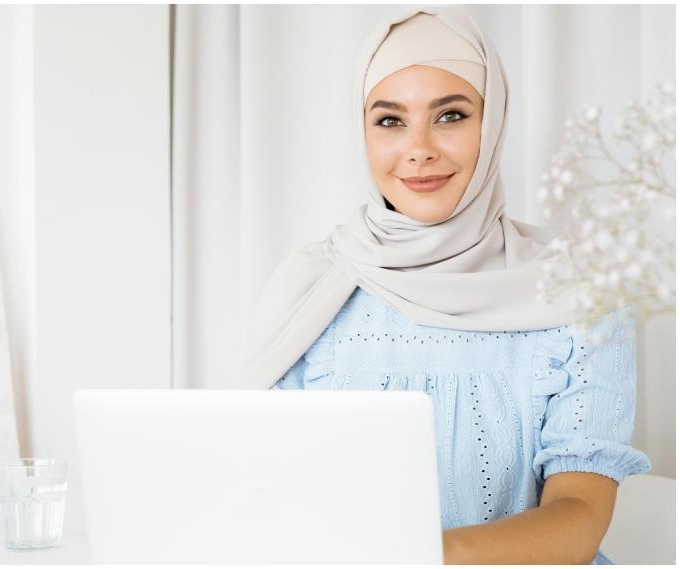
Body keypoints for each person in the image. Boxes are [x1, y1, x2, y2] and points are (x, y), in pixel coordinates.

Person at [236, 7, 651, 565]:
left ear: (494, 121)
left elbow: (578, 518)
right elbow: (258, 488)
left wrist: (410, 557)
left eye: (451, 115)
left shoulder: (579, 287)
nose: (419, 148)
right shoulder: (314, 282)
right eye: (389, 121)